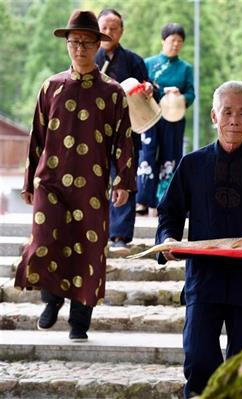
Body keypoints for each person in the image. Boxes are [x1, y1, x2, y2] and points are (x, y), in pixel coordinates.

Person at [155, 81, 242, 397]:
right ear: (214, 116)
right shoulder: (192, 164)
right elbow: (170, 213)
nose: (234, 119)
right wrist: (169, 240)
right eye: (227, 112)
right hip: (204, 278)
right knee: (198, 354)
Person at [14, 10, 135, 341]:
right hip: (50, 182)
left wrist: (124, 181)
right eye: (74, 42)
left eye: (86, 42)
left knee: (89, 249)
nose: (79, 48)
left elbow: (124, 139)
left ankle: (80, 320)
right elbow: (35, 137)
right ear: (67, 44)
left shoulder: (112, 92)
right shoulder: (51, 87)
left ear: (98, 44)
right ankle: (51, 299)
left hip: (92, 186)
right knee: (44, 241)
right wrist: (28, 183)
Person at [95, 8, 152, 256]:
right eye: (104, 28)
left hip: (127, 129)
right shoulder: (87, 57)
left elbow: (149, 89)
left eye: (114, 28)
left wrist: (150, 88)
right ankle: (96, 232)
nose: (109, 32)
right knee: (94, 180)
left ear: (121, 30)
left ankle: (120, 235)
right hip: (94, 131)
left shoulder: (133, 61)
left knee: (124, 179)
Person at [136, 22, 195, 217]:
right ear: (163, 40)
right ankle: (143, 200)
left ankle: (164, 201)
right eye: (172, 40)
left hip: (174, 117)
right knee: (147, 154)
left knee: (170, 157)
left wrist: (180, 95)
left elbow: (191, 94)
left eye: (180, 41)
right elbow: (140, 88)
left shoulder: (186, 68)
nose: (176, 44)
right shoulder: (148, 63)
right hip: (150, 116)